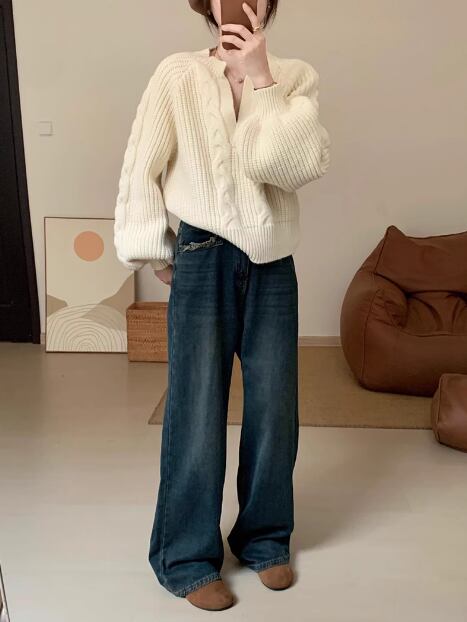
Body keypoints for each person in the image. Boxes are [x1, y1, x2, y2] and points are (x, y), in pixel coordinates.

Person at [114, 0, 331, 611]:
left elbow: (290, 167)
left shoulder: (295, 76)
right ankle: (185, 556)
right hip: (203, 254)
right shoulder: (177, 72)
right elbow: (142, 163)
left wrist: (261, 79)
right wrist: (152, 247)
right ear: (207, 4)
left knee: (275, 408)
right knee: (195, 407)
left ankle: (265, 539)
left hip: (272, 262)